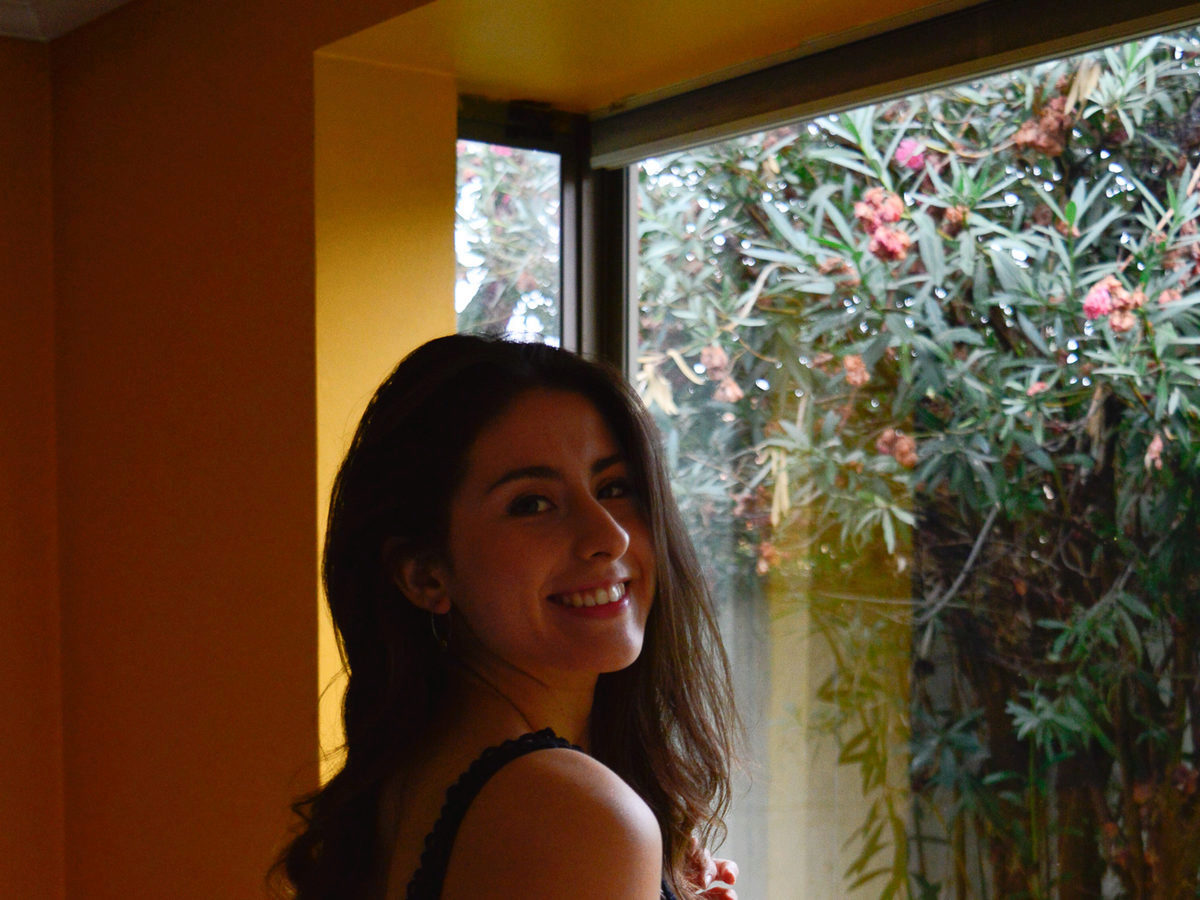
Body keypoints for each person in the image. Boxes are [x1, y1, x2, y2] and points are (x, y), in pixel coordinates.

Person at [275, 335, 739, 899]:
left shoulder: (410, 776)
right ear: (425, 576)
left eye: (614, 487)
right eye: (532, 504)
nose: (608, 535)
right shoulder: (573, 816)